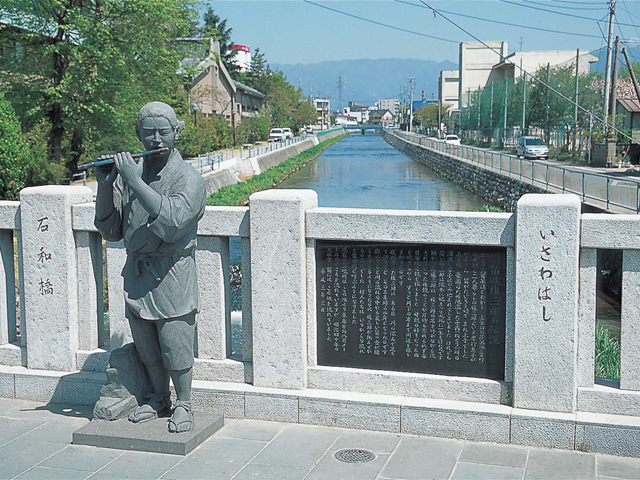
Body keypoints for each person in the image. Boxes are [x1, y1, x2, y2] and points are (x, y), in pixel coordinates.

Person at [94, 101, 206, 433]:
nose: (155, 139)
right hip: (139, 273)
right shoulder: (131, 175)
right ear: (138, 134)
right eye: (148, 133)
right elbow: (110, 228)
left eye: (163, 132)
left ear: (176, 132)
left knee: (175, 341)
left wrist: (133, 181)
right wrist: (105, 184)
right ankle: (158, 397)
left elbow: (172, 222)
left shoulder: (190, 179)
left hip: (172, 272)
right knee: (147, 344)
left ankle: (184, 402)